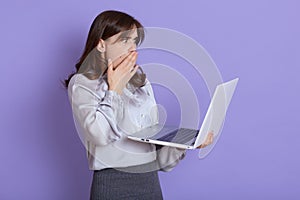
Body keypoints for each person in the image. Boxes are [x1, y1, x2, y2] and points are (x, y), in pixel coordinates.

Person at [63, 10, 214, 200]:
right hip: (111, 185)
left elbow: (160, 160)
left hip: (149, 185)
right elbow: (99, 135)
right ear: (101, 45)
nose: (132, 48)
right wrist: (114, 89)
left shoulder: (141, 83)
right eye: (125, 40)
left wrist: (186, 143)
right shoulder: (83, 83)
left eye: (134, 41)